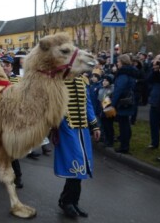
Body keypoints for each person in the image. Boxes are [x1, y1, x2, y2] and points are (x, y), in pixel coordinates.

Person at [53, 74, 101, 218]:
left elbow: (88, 104)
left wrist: (95, 126)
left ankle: (72, 201)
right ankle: (67, 202)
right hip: (66, 129)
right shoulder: (57, 80)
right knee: (75, 165)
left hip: (83, 130)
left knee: (82, 167)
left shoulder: (83, 80)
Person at [0, 55, 23, 188]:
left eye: (7, 65)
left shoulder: (18, 80)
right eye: (3, 65)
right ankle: (5, 170)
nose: (4, 67)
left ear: (12, 67)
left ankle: (18, 176)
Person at [110, 54, 138, 154]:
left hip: (123, 102)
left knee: (123, 125)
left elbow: (119, 90)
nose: (117, 63)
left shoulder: (123, 74)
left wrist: (113, 104)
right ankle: (125, 144)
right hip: (128, 100)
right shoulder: (131, 72)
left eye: (118, 62)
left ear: (122, 62)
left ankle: (124, 146)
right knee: (125, 123)